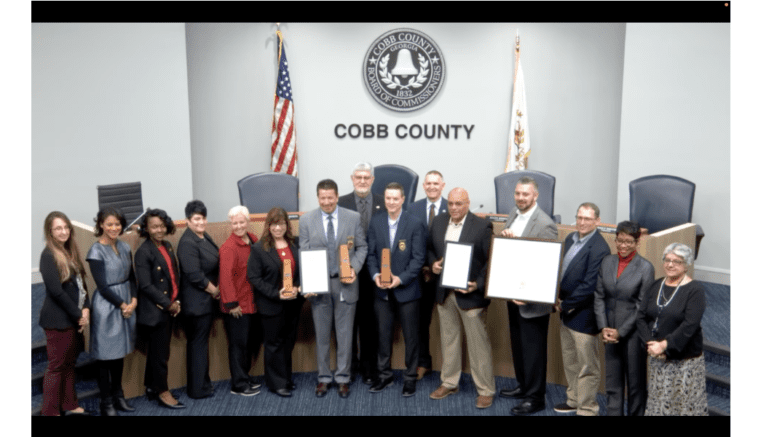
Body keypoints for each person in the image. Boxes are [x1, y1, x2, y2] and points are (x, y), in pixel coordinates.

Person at [427, 188, 496, 409]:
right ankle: (449, 382)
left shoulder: (481, 225)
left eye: (459, 204)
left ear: (468, 203)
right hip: (444, 293)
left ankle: (485, 390)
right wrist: (433, 265)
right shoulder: (438, 222)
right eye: (451, 204)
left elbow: (490, 260)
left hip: (470, 295)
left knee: (478, 345)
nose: (454, 208)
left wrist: (479, 284)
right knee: (449, 340)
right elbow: (429, 249)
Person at [299, 179, 367, 398]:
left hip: (346, 283)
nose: (327, 202)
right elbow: (304, 252)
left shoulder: (352, 217)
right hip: (319, 286)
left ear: (337, 197)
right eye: (322, 198)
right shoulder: (307, 220)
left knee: (345, 335)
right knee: (322, 335)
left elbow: (361, 247)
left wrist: (353, 269)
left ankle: (343, 377)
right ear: (318, 197)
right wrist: (308, 282)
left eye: (330, 197)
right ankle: (324, 377)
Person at [497, 177, 558, 416]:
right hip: (513, 294)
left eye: (525, 194)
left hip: (532, 300)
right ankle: (524, 386)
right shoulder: (513, 213)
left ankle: (536, 398)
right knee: (520, 347)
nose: (520, 198)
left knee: (534, 351)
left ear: (536, 196)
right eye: (518, 193)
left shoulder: (545, 224)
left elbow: (547, 266)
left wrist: (530, 295)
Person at [366, 183, 426, 397]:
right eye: (388, 198)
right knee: (383, 336)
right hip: (381, 291)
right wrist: (375, 277)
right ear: (385, 200)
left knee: (411, 338)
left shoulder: (415, 223)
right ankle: (384, 376)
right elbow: (371, 255)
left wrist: (399, 279)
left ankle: (410, 378)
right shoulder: (376, 221)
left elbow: (418, 259)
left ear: (402, 200)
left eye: (395, 198)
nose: (391, 202)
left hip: (407, 290)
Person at [637, 243, 708, 416]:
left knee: (683, 405)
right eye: (667, 260)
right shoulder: (656, 286)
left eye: (677, 261)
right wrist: (650, 344)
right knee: (659, 402)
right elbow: (641, 317)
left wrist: (664, 345)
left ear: (687, 264)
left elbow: (690, 325)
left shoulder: (695, 290)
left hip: (684, 361)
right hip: (657, 357)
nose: (670, 264)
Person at [554, 202, 611, 416]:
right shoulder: (570, 238)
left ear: (597, 221)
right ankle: (573, 400)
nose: (582, 222)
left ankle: (587, 408)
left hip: (584, 315)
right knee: (570, 361)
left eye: (587, 219)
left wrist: (565, 304)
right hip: (566, 311)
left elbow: (590, 286)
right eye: (579, 217)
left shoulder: (600, 247)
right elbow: (564, 273)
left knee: (587, 366)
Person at [593, 220, 654, 416]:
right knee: (613, 380)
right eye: (619, 241)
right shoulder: (607, 261)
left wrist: (622, 331)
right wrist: (604, 327)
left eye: (628, 241)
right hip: (609, 329)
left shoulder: (646, 267)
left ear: (637, 242)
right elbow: (599, 296)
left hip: (634, 332)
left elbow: (641, 306)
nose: (623, 245)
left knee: (635, 383)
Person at [247, 207, 304, 398]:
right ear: (268, 226)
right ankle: (276, 383)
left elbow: (301, 271)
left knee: (288, 342)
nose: (277, 228)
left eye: (281, 224)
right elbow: (254, 277)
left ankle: (286, 378)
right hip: (272, 305)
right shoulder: (259, 248)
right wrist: (276, 294)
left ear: (287, 225)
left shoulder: (294, 245)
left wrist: (298, 287)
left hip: (293, 304)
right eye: (273, 224)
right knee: (273, 345)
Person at [38, 211, 91, 416]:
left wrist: (86, 308)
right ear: (50, 232)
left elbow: (82, 285)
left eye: (65, 227)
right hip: (58, 320)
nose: (63, 232)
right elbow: (57, 292)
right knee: (57, 367)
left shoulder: (71, 251)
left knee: (70, 364)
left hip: (74, 317)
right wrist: (79, 314)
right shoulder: (48, 255)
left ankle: (69, 404)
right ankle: (50, 412)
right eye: (58, 228)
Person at [86, 207, 137, 416]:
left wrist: (133, 300)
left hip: (126, 301)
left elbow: (132, 278)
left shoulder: (125, 247)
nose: (114, 228)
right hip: (107, 306)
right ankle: (106, 402)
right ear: (101, 225)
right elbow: (103, 286)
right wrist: (123, 305)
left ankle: (119, 395)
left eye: (117, 224)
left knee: (119, 354)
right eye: (109, 224)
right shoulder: (95, 251)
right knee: (105, 357)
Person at [134, 208, 185, 410]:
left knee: (157, 352)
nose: (159, 230)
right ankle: (163, 392)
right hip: (155, 311)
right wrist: (168, 304)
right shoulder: (143, 252)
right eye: (154, 226)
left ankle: (151, 386)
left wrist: (177, 301)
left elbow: (174, 276)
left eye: (162, 226)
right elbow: (145, 286)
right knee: (160, 355)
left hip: (170, 308)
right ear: (146, 228)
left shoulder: (168, 246)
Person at [338, 161, 384, 385]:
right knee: (348, 322)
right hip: (349, 272)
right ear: (352, 178)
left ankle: (368, 368)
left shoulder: (384, 203)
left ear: (372, 180)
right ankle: (350, 367)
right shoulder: (341, 203)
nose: (363, 181)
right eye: (359, 177)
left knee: (369, 322)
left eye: (367, 177)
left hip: (373, 273)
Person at [177, 200, 220, 399]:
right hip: (196, 303)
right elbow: (194, 275)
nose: (200, 222)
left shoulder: (203, 236)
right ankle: (197, 389)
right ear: (188, 221)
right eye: (196, 219)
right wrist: (215, 291)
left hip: (205, 302)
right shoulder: (187, 242)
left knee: (200, 345)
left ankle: (203, 384)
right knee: (197, 345)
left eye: (203, 218)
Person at [407, 170, 447, 379]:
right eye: (428, 183)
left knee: (449, 323)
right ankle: (423, 362)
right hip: (419, 275)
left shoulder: (453, 207)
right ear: (423, 186)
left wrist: (436, 264)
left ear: (443, 185)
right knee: (420, 322)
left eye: (436, 183)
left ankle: (449, 369)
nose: (432, 186)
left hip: (444, 275)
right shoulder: (412, 208)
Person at [218, 205, 262, 397]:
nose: (238, 226)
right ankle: (239, 384)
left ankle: (244, 376)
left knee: (250, 344)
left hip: (252, 302)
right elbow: (225, 278)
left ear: (248, 221)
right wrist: (232, 304)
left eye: (241, 222)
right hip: (237, 306)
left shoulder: (253, 240)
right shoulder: (228, 247)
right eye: (234, 223)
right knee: (238, 346)